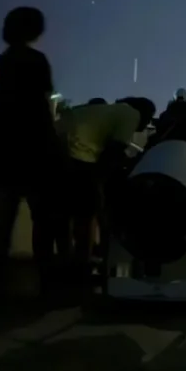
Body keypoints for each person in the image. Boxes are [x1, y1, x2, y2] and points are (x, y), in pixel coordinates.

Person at [0, 6, 69, 286]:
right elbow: (42, 107)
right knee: (42, 218)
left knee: (4, 218)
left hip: (5, 150)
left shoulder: (1, 64)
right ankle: (46, 277)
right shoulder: (36, 61)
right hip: (35, 152)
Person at [60, 96, 156, 278]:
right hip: (76, 153)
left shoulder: (112, 111)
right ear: (143, 112)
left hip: (60, 146)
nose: (148, 122)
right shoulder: (131, 114)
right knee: (87, 214)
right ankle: (81, 268)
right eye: (150, 117)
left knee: (65, 215)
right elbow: (112, 154)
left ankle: (66, 265)